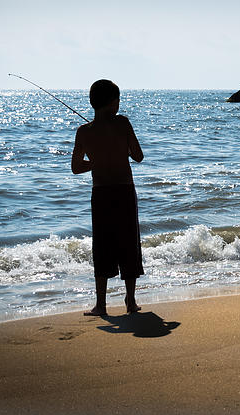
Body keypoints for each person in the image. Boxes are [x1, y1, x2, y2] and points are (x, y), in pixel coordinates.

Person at [71, 79, 145, 315]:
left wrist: (96, 161)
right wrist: (119, 148)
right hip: (124, 191)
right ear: (113, 103)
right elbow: (138, 156)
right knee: (128, 244)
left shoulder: (84, 131)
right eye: (118, 101)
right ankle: (130, 302)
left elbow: (75, 167)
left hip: (100, 193)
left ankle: (101, 305)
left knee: (102, 246)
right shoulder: (122, 123)